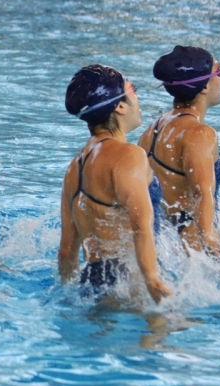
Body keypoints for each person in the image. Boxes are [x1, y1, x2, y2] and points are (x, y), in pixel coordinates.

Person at [58, 64, 171, 304]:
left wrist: (70, 295)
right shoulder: (128, 155)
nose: (138, 99)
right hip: (129, 279)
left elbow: (67, 252)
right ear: (119, 106)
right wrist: (151, 277)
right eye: (134, 90)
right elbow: (141, 224)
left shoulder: (74, 167)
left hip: (92, 280)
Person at [137, 46, 220, 270]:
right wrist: (211, 241)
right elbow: (201, 191)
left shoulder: (155, 127)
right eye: (219, 71)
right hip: (193, 249)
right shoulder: (199, 134)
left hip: (165, 242)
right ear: (204, 86)